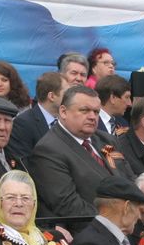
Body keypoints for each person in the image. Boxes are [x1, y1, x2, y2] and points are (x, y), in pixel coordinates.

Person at [30, 86, 136, 221]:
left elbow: (129, 177)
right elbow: (69, 205)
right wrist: (114, 221)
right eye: (84, 110)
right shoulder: (48, 150)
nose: (92, 117)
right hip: (91, 230)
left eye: (96, 112)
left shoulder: (107, 139)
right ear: (63, 112)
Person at [9, 71, 65, 160]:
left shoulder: (66, 121)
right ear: (52, 96)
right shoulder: (23, 124)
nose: (70, 97)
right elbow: (24, 163)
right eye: (66, 93)